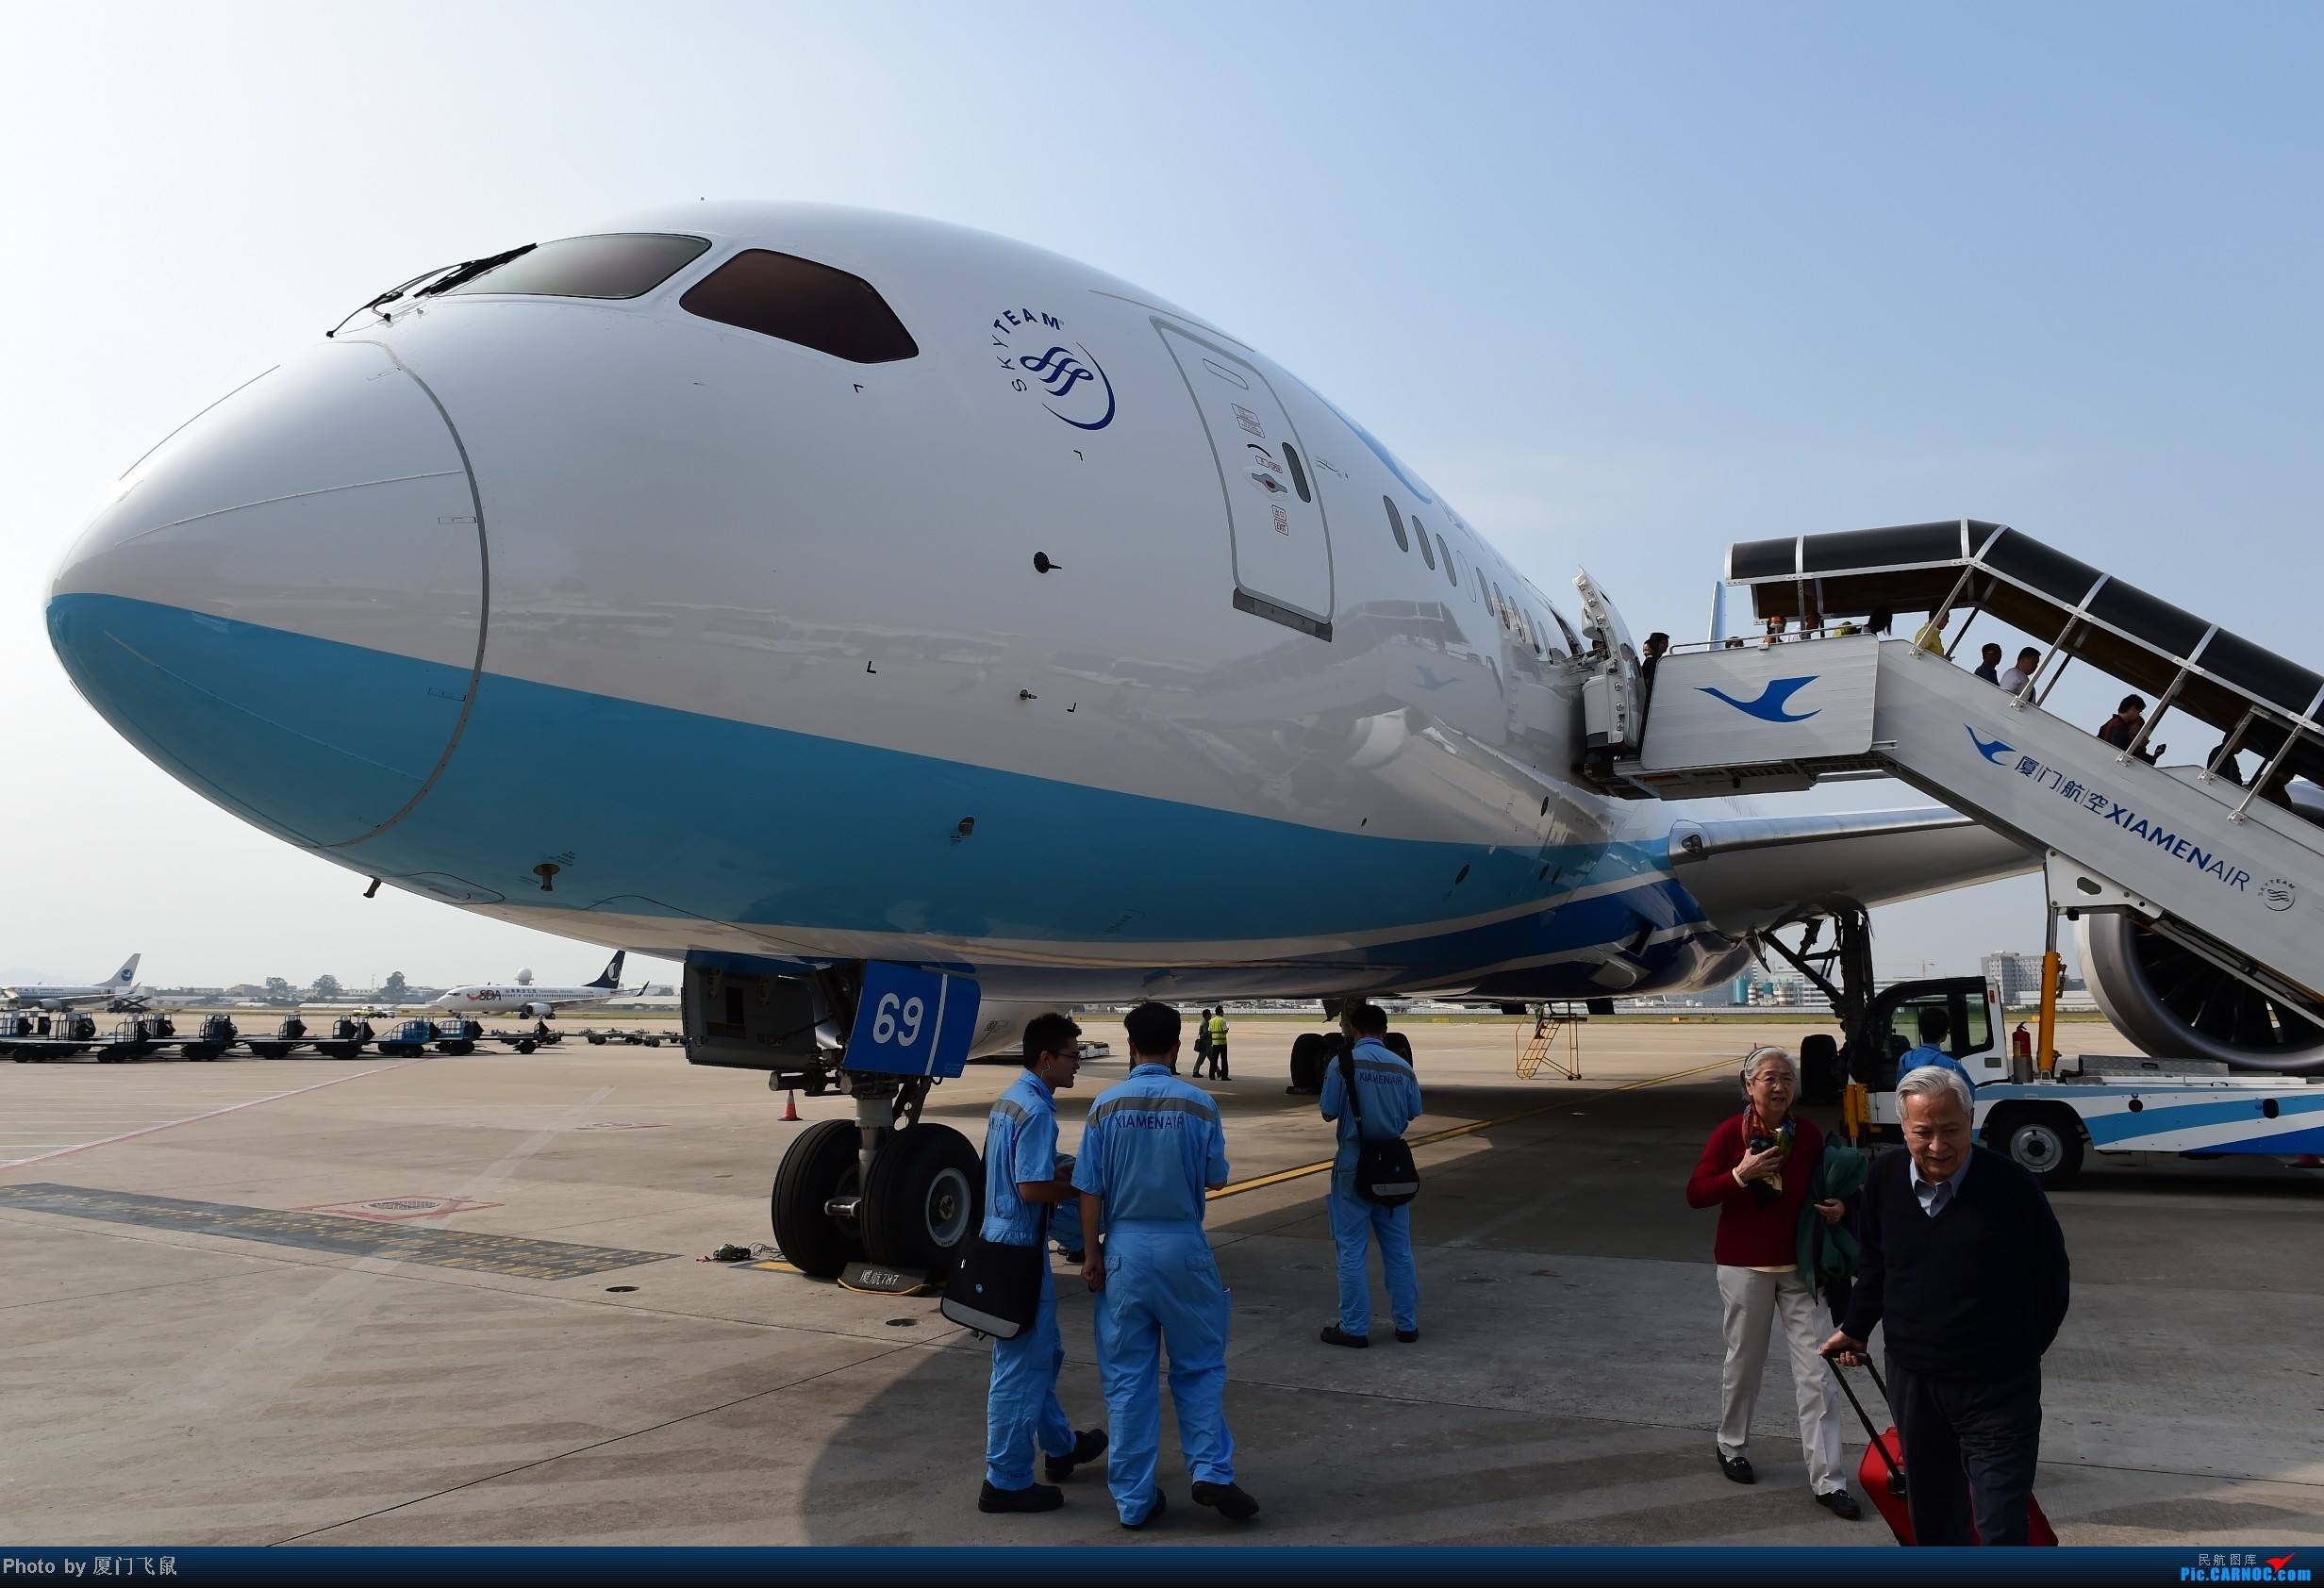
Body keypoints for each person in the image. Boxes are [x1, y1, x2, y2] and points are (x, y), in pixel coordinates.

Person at [1823, 1067, 2070, 1547]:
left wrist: (2015, 1355)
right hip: (1916, 1384)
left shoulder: (2013, 1188)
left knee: (2000, 1526)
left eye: (1951, 1130)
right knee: (1934, 1519)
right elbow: (1875, 1265)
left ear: (1971, 1123)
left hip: (1996, 1391)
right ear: (1904, 1129)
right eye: (1923, 1132)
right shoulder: (1885, 1178)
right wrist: (1855, 1327)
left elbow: (2052, 1283)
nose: (1938, 1145)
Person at [1073, 1001, 1259, 1529]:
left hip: (1124, 1249)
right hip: (1183, 1244)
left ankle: (1133, 1501)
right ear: (1178, 1045)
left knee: (1128, 1380)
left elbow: (1089, 1188)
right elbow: (1216, 1176)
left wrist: (1091, 1255)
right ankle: (1210, 1472)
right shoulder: (1199, 1103)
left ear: (1130, 1045)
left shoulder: (1105, 1105)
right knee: (1198, 1367)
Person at [1685, 1047, 1860, 1520]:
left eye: (1786, 1078)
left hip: (1801, 1270)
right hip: (1744, 1267)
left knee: (1818, 1374)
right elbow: (1696, 1193)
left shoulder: (1806, 1139)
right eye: (1768, 1078)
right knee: (1745, 1361)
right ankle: (1732, 1444)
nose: (1779, 1086)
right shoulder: (1729, 1136)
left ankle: (1828, 1480)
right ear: (1749, 1086)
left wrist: (1840, 1207)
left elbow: (1831, 1186)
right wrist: (1739, 1175)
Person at [976, 1012, 1107, 1514]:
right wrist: (1082, 1187)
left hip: (1000, 1238)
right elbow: (1031, 1189)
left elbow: (1015, 1172)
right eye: (1074, 1056)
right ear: (1047, 1059)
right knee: (1020, 1367)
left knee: (1042, 1356)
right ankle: (1005, 1480)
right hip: (1019, 1249)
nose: (1079, 1064)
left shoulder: (1011, 1099)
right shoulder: (1037, 1111)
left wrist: (1060, 1167)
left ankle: (1061, 1447)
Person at [1318, 1001, 1422, 1348]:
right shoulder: (1402, 1066)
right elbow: (1413, 1111)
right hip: (1392, 1163)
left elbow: (1328, 1112)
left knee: (1351, 1249)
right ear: (1385, 1031)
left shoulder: (1342, 1063)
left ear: (1354, 1031)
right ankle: (1407, 1325)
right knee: (1399, 1250)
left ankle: (1355, 1327)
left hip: (1353, 1161)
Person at [1895, 1008, 1975, 1092]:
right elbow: (1968, 1093)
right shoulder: (1951, 1065)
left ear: (1921, 1031)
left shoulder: (1905, 1059)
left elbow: (1901, 1088)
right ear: (1944, 1036)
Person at [2098, 694, 2164, 763]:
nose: (2139, 715)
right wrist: (2139, 746)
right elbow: (2120, 752)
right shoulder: (2119, 727)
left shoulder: (2111, 724)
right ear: (2133, 708)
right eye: (2139, 712)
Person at [1190, 1009, 1216, 1080]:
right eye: (1209, 1014)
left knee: (1212, 1058)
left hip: (1207, 1043)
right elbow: (1205, 1033)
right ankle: (1195, 1072)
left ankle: (1218, 1070)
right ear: (1206, 1015)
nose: (1210, 1015)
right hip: (1205, 1044)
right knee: (1201, 1059)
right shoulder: (1206, 1023)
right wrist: (1211, 1032)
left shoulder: (1205, 1022)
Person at [1206, 1007, 1230, 1081]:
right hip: (1222, 1043)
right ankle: (1224, 1076)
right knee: (1224, 1060)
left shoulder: (1211, 1021)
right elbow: (1225, 1031)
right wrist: (1227, 1029)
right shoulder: (1222, 1020)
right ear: (1220, 1012)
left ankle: (1211, 1076)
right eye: (1223, 1011)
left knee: (1214, 1060)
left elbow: (1209, 1032)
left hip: (1215, 1043)